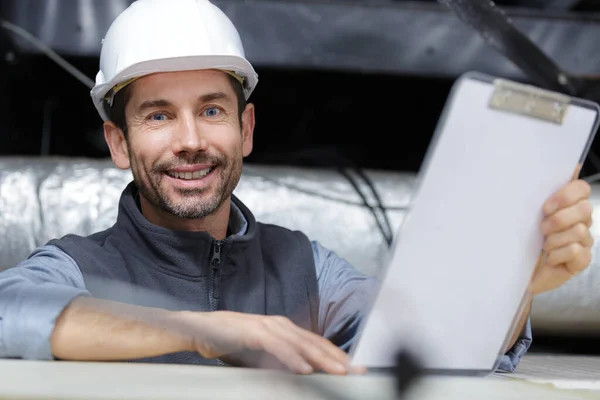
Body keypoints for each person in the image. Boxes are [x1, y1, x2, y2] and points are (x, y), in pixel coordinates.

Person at [0, 0, 594, 375]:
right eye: (158, 116)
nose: (190, 140)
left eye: (211, 110)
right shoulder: (76, 266)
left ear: (245, 128)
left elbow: (427, 341)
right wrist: (202, 331)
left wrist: (517, 282)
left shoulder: (306, 270)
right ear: (119, 143)